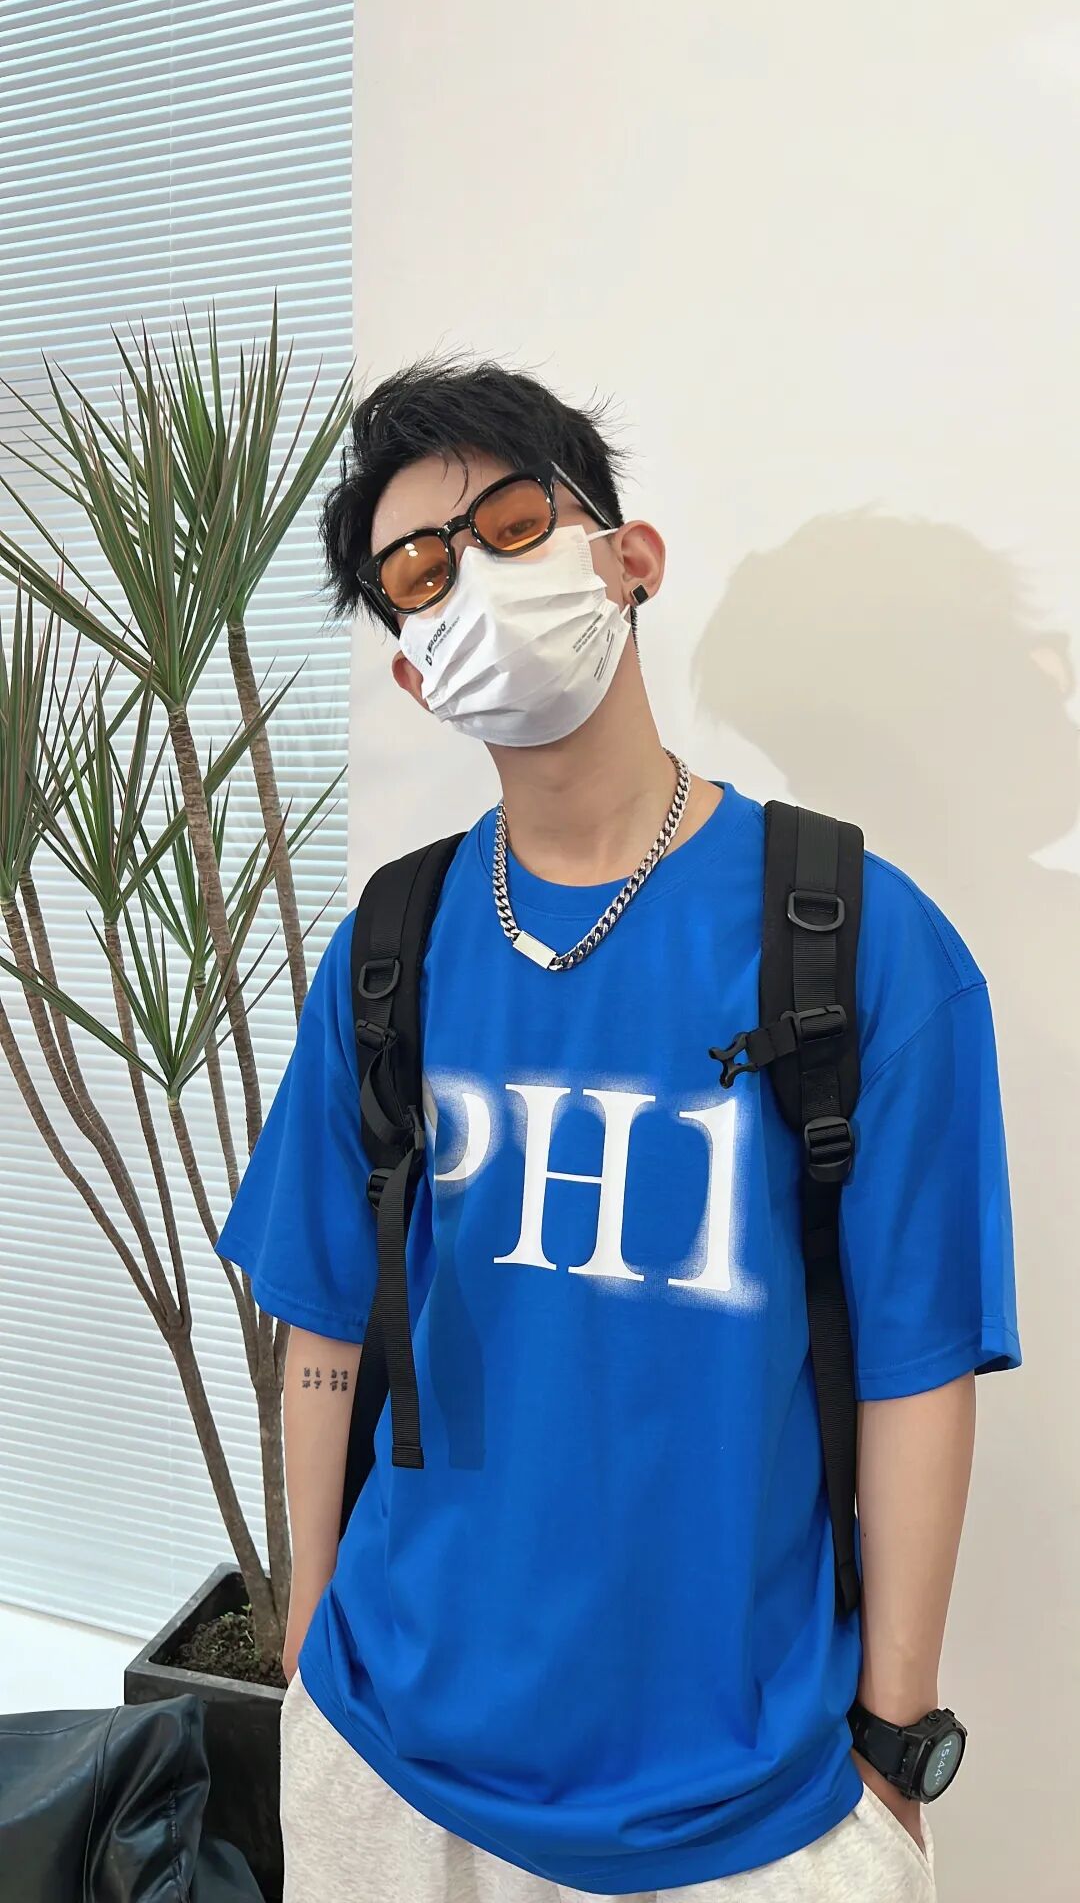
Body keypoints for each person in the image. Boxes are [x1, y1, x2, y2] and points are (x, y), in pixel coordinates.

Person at [214, 359, 1021, 1902]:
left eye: (514, 525)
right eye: (420, 574)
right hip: (388, 1762)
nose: (473, 582)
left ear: (628, 557)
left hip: (743, 1803)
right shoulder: (390, 949)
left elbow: (919, 1363)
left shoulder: (861, 943)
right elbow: (324, 1316)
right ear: (415, 673)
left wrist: (894, 1735)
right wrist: (313, 1639)